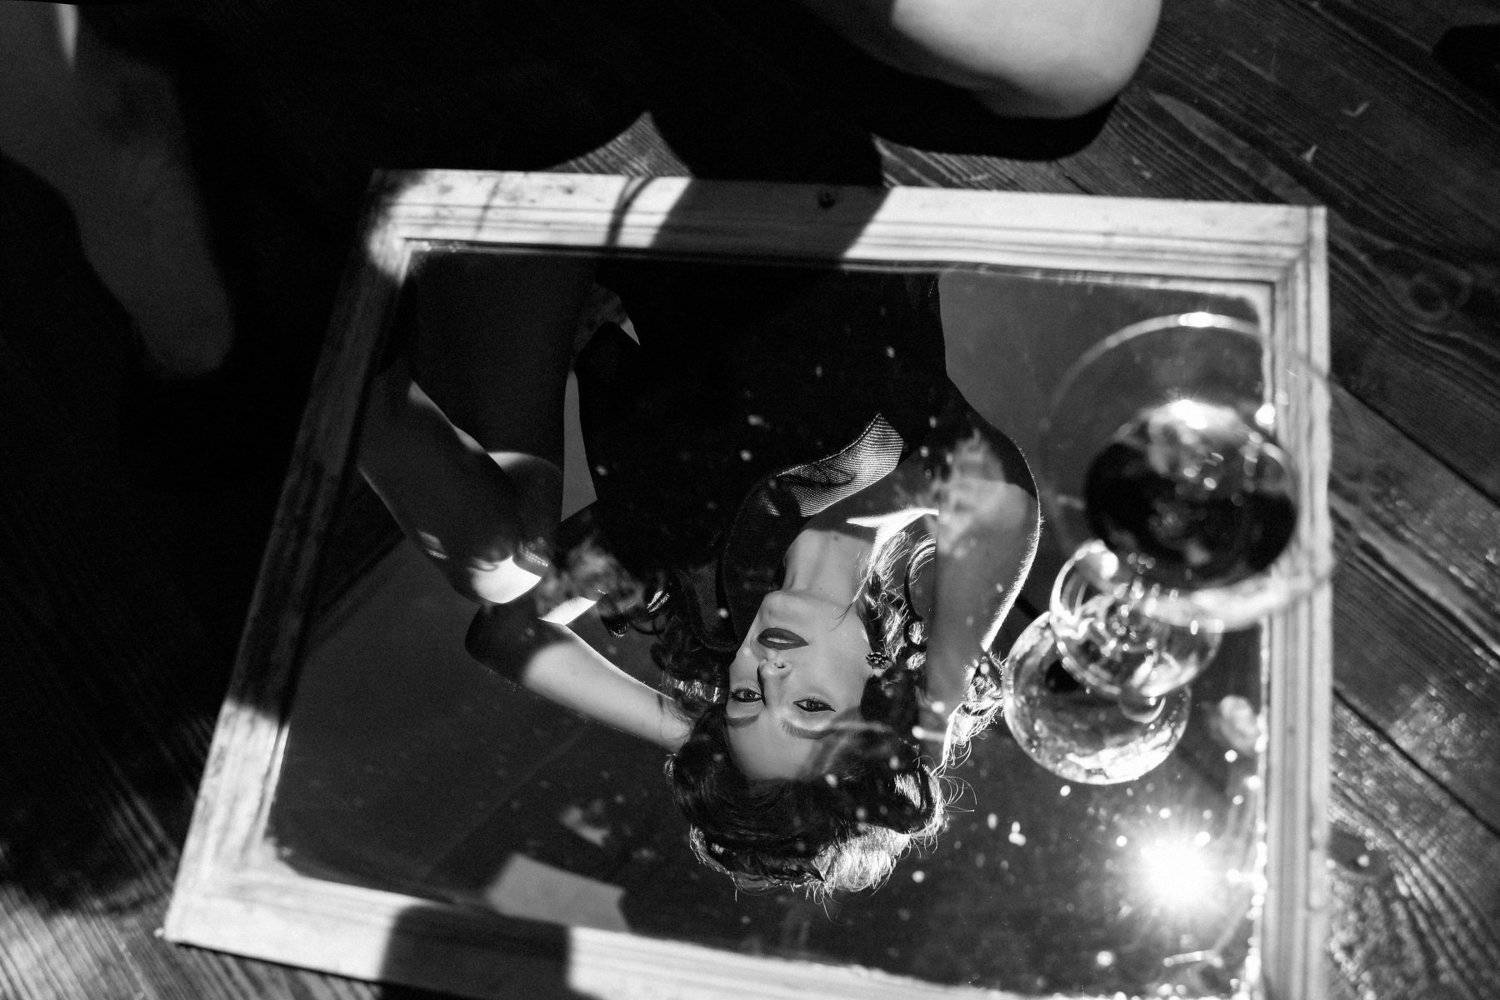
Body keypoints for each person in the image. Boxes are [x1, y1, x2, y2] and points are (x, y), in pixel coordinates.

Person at [359, 256, 1039, 894]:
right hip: (787, 203)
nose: (769, 673)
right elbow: (1000, 497)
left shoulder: (700, 572)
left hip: (583, 256)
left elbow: (505, 633)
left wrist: (695, 735)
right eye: (809, 706)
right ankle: (350, 371)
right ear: (886, 690)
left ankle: (352, 380)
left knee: (502, 568)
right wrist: (941, 696)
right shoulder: (892, 471)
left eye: (745, 699)